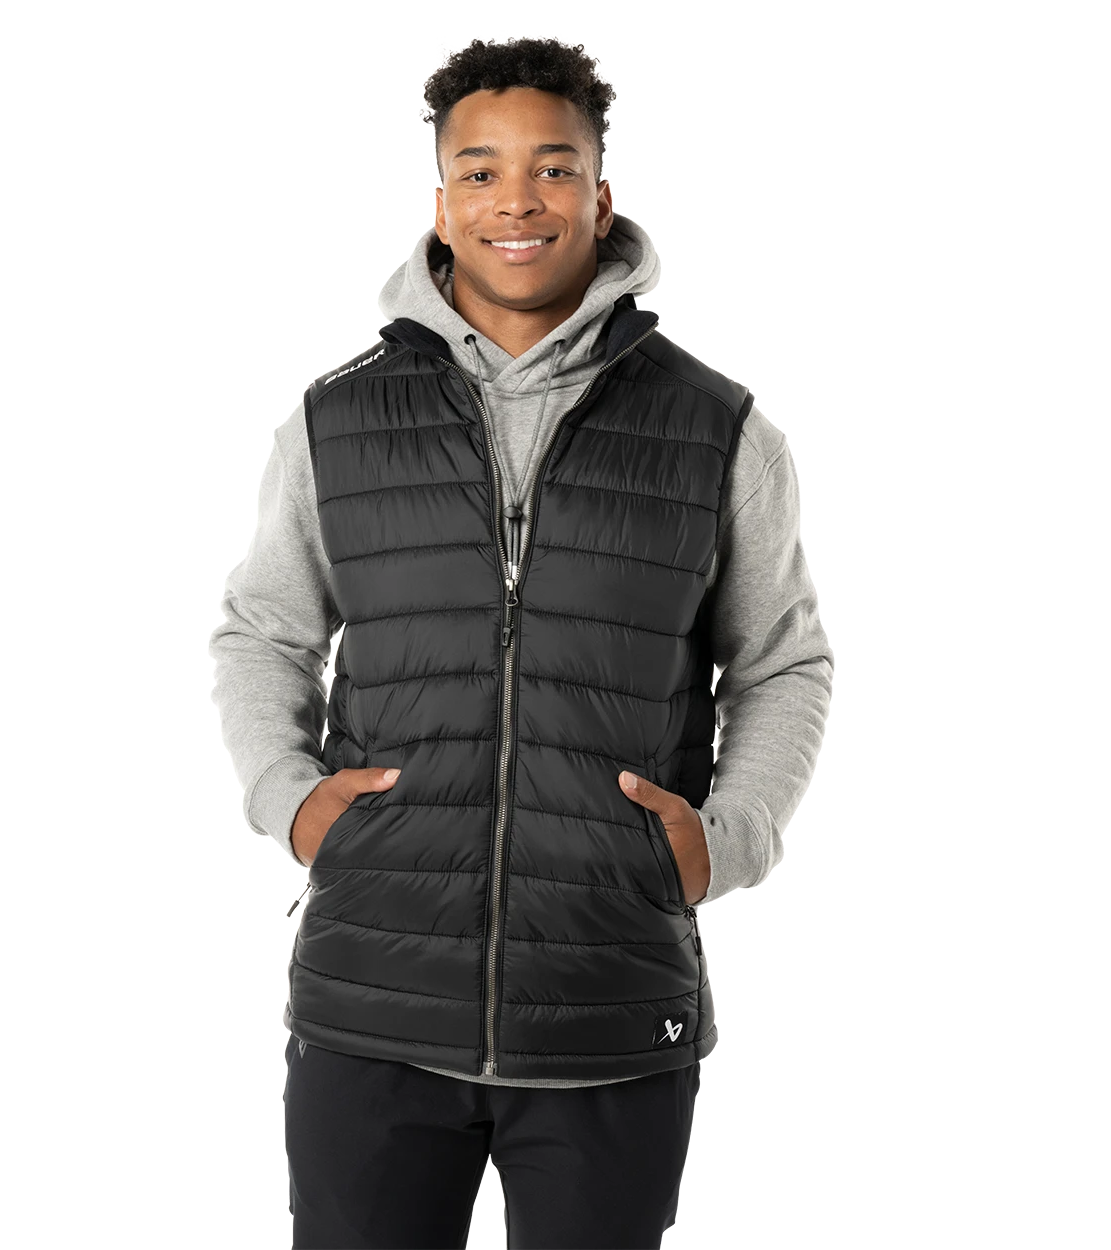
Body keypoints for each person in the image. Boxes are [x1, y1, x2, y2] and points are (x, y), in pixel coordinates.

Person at [210, 32, 834, 1250]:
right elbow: (262, 630)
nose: (516, 200)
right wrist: (288, 799)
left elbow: (778, 660)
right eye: (479, 170)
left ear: (601, 196)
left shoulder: (715, 424)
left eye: (553, 168)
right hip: (371, 1003)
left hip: (610, 1002)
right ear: (441, 201)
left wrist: (725, 840)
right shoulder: (336, 419)